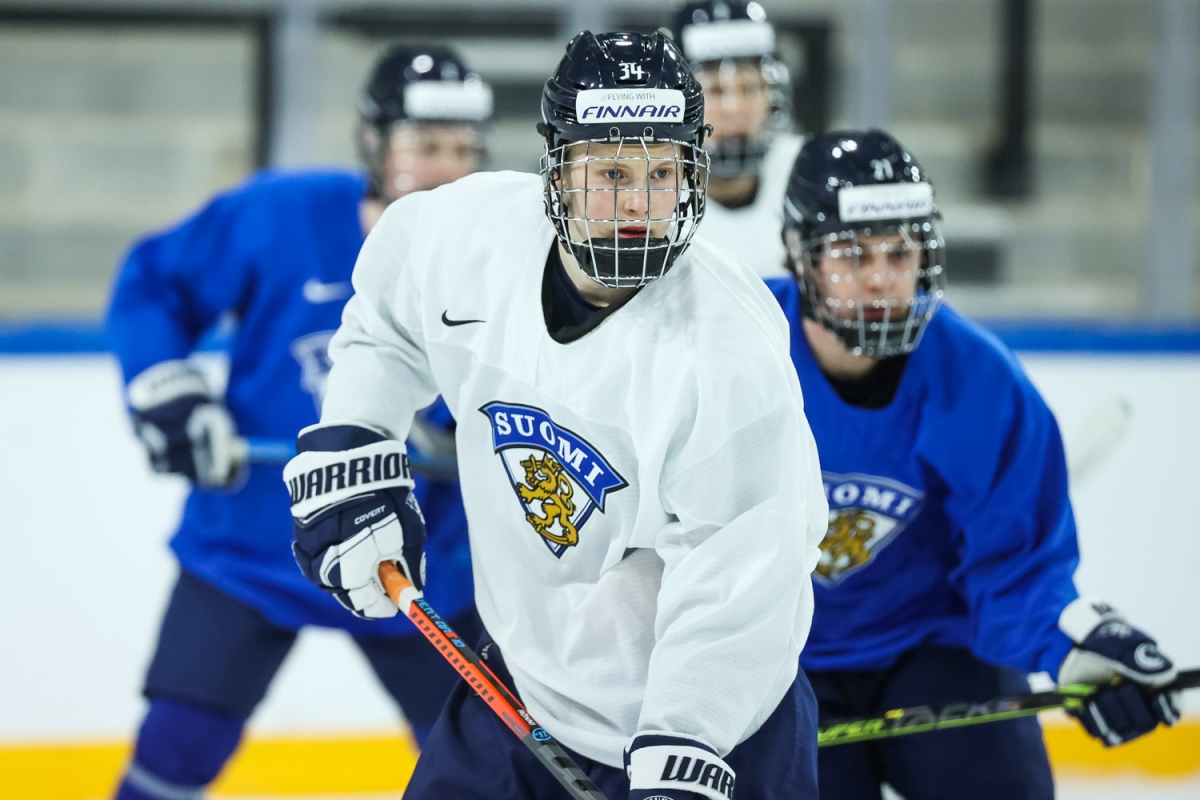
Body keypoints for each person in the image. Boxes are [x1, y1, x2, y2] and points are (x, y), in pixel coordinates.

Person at [284, 30, 828, 800]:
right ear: (560, 171)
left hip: (723, 730)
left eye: (662, 172)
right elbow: (384, 324)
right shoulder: (467, 237)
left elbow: (743, 577)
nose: (637, 201)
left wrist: (684, 747)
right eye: (610, 171)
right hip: (523, 692)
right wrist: (355, 446)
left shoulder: (730, 346)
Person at [105, 45, 491, 800]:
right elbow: (154, 282)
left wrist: (476, 433)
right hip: (250, 547)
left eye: (462, 148)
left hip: (416, 559)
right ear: (374, 143)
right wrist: (168, 387)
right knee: (177, 746)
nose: (445, 168)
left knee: (480, 763)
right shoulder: (279, 215)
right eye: (424, 144)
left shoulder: (501, 253)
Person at [766, 129, 1181, 800]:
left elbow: (1017, 567)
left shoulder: (980, 382)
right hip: (776, 661)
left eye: (900, 251)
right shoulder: (740, 351)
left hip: (933, 651)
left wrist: (1080, 643)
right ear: (798, 254)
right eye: (852, 253)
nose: (881, 276)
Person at [671, 0, 802, 278]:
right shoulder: (644, 197)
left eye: (752, 88)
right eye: (716, 89)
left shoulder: (806, 174)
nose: (735, 108)